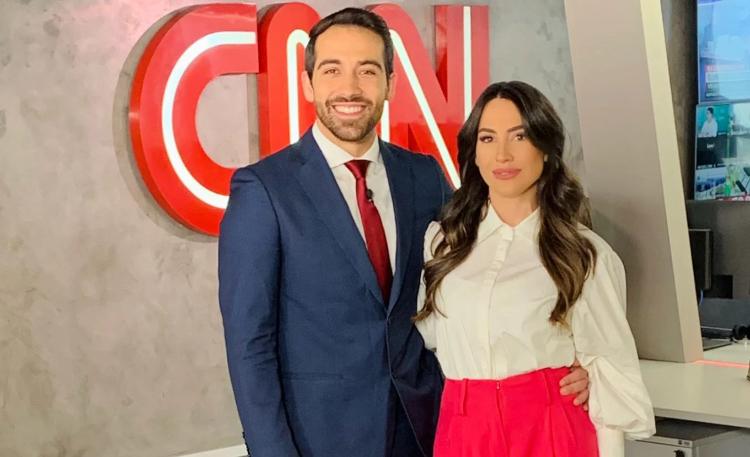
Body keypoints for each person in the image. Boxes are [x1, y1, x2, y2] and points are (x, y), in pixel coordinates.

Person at [219, 8, 590, 457]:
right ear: (308, 83)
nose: (350, 88)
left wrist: (577, 361)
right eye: (332, 70)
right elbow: (249, 344)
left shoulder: (423, 175)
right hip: (321, 439)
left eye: (367, 70)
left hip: (427, 430)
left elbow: (494, 269)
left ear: (391, 83)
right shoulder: (264, 190)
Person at [415, 81, 655, 457]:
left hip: (550, 428)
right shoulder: (442, 243)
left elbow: (610, 373)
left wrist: (591, 376)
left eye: (520, 136)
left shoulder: (583, 253)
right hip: (463, 429)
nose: (503, 154)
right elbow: (432, 336)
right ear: (474, 152)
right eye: (488, 138)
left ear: (544, 148)